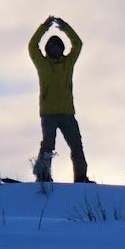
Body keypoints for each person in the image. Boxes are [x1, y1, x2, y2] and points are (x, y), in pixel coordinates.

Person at [27, 14, 88, 187]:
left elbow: (78, 44)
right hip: (49, 113)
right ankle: (44, 176)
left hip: (67, 112)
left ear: (62, 48)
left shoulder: (68, 63)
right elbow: (32, 46)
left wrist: (65, 27)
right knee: (48, 146)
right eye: (52, 47)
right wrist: (44, 27)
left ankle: (81, 178)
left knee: (77, 146)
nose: (55, 50)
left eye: (58, 47)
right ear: (48, 49)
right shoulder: (43, 64)